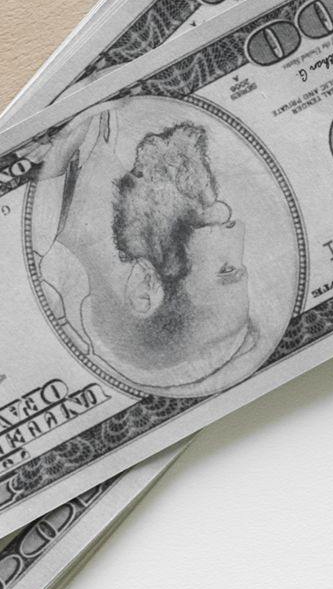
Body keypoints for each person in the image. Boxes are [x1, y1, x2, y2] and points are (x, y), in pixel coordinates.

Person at [32, 107, 259, 395]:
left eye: (226, 270)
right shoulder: (105, 126)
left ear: (145, 288)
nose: (227, 214)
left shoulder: (38, 193)